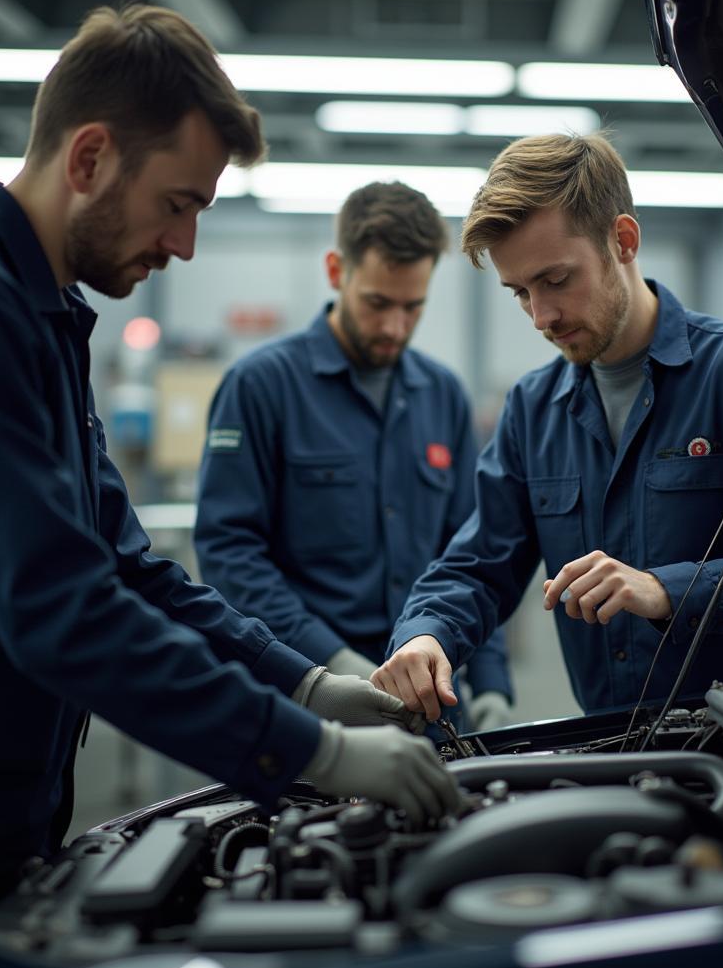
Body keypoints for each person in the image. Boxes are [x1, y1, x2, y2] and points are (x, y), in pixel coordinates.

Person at [0, 5, 457, 964]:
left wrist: (309, 684)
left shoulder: (42, 320)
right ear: (89, 159)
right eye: (180, 203)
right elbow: (60, 607)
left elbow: (133, 572)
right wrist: (310, 753)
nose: (186, 247)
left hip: (6, 816)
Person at [371, 132, 723, 722]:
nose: (542, 316)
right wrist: (427, 634)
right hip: (615, 747)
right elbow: (480, 564)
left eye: (555, 280)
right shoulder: (533, 408)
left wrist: (667, 590)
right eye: (520, 292)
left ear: (622, 240)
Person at [194, 181, 514, 733]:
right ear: (337, 270)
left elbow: (471, 549)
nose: (395, 327)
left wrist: (491, 680)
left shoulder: (443, 395)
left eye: (413, 307)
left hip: (431, 698)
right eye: (378, 303)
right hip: (304, 702)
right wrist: (329, 663)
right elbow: (230, 552)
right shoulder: (260, 387)